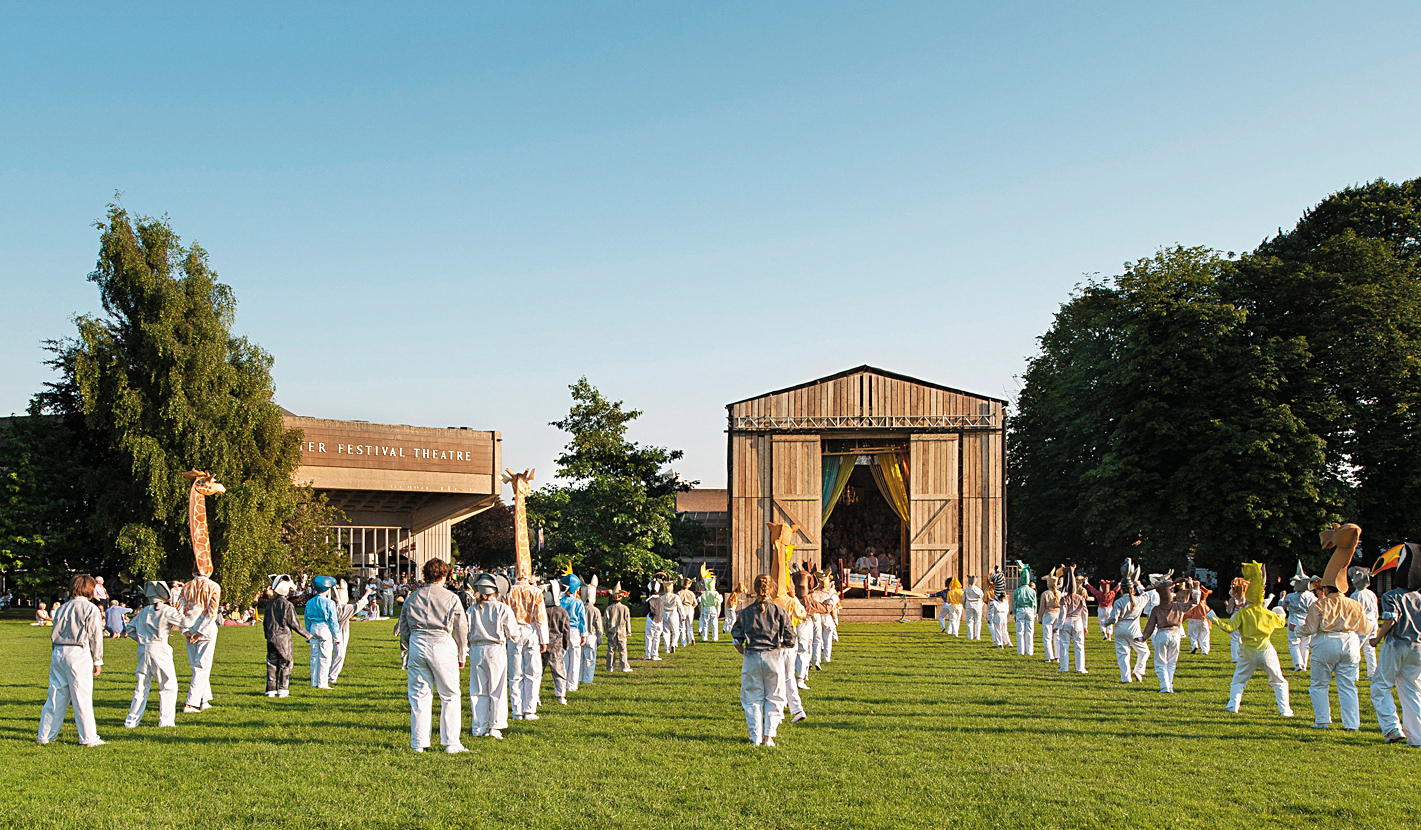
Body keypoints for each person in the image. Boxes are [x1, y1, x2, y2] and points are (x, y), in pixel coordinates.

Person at [1297, 524, 1369, 731]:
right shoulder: (1355, 604)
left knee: (1319, 684)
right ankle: (1352, 724)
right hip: (1350, 642)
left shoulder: (1320, 604)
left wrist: (1296, 630)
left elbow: (1310, 628)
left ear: (1326, 588)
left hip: (1326, 641)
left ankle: (1322, 720)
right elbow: (1365, 629)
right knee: (1348, 685)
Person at [399, 558, 469, 753]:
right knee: (450, 695)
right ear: (444, 575)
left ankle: (418, 742)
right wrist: (462, 654)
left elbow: (403, 627)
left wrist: (406, 651)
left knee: (419, 695)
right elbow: (461, 628)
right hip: (441, 643)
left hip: (417, 642)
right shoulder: (451, 598)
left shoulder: (412, 598)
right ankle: (451, 742)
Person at [1210, 562, 1293, 717]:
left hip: (1248, 651)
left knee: (1239, 680)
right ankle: (1285, 710)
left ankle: (1233, 705)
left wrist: (1214, 619)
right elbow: (1281, 622)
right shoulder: (1267, 614)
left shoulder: (1242, 613)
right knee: (1278, 680)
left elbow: (1229, 628)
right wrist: (1281, 612)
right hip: (1266, 649)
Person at [37, 574, 105, 747]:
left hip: (59, 650)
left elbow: (55, 631)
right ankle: (89, 738)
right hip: (78, 651)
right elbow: (95, 636)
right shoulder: (90, 608)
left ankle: (45, 735)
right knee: (82, 696)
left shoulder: (62, 608)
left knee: (55, 695)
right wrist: (98, 660)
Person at [732, 574, 795, 747]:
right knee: (775, 697)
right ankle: (769, 736)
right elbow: (790, 640)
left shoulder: (745, 613)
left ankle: (755, 736)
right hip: (773, 656)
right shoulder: (779, 612)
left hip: (752, 656)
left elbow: (736, 639)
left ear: (754, 588)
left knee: (752, 698)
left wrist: (745, 652)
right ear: (772, 588)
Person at [1370, 542, 1421, 746]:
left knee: (1380, 686)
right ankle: (1417, 737)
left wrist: (1377, 638)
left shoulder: (1392, 596)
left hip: (1396, 644)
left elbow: (1391, 619)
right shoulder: (1420, 598)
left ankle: (1392, 728)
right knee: (1412, 690)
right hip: (1417, 647)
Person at [123, 581, 185, 727]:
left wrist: (142, 640)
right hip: (159, 648)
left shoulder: (144, 611)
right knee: (168, 685)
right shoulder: (166, 610)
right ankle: (166, 721)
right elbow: (185, 622)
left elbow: (130, 629)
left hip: (143, 649)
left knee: (141, 686)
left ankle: (131, 721)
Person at [466, 573, 519, 740]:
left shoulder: (471, 610)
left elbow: (465, 630)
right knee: (497, 689)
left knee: (478, 690)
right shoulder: (503, 608)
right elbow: (513, 634)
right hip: (495, 650)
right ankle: (496, 725)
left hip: (476, 650)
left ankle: (478, 726)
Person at [1139, 579, 1197, 693]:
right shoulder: (1178, 606)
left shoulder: (1156, 609)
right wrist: (1195, 588)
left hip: (1162, 633)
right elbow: (1194, 602)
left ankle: (1164, 686)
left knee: (1160, 662)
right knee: (1172, 662)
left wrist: (1143, 638)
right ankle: (1170, 685)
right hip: (1175, 634)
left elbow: (1150, 626)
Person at [506, 571, 549, 720]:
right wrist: (544, 639)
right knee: (533, 672)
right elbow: (541, 618)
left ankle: (517, 710)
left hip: (513, 631)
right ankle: (529, 709)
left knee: (515, 673)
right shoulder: (536, 592)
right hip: (531, 631)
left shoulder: (508, 592)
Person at [177, 573, 222, 713]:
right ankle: (191, 704)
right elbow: (211, 612)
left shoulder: (186, 586)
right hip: (206, 630)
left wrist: (185, 630)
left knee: (196, 665)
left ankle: (204, 699)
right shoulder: (214, 586)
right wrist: (201, 631)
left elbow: (178, 609)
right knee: (202, 666)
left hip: (190, 628)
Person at [263, 575, 311, 698]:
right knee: (286, 663)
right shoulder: (287, 605)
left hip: (271, 637)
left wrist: (267, 635)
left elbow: (265, 622)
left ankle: (270, 690)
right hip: (284, 638)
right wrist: (307, 634)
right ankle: (283, 690)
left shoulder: (269, 604)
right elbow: (294, 623)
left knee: (271, 663)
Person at [1107, 574, 1150, 683]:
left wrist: (1104, 623)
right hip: (1134, 628)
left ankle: (1125, 678)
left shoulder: (1118, 602)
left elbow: (1114, 618)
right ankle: (1139, 670)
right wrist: (1139, 585)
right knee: (1144, 651)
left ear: (1122, 590)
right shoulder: (1139, 600)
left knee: (1123, 654)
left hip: (1120, 629)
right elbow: (1146, 595)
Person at [304, 576, 342, 690]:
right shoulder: (329, 603)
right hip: (324, 628)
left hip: (312, 628)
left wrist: (307, 634)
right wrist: (337, 637)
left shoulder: (309, 602)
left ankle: (314, 681)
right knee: (325, 657)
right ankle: (323, 683)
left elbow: (307, 619)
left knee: (314, 657)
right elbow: (333, 621)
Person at [1283, 564, 1317, 671]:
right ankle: (1304, 664)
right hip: (1307, 620)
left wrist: (1281, 598)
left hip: (1293, 621)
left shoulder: (1290, 596)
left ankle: (1298, 663)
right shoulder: (1311, 596)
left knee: (1294, 642)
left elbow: (1282, 606)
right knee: (1305, 643)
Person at [558, 572, 588, 695]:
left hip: (562, 631)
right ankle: (572, 684)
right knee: (575, 659)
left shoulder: (559, 601)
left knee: (563, 658)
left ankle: (563, 683)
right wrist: (584, 634)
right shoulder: (578, 602)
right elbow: (582, 619)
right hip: (575, 631)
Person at [1348, 565, 1379, 679]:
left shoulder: (1355, 595)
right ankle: (1372, 673)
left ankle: (1354, 674)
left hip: (1362, 624)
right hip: (1373, 622)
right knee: (1370, 649)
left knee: (1355, 648)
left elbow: (1354, 614)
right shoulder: (1371, 594)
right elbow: (1375, 610)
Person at [1056, 567, 1088, 673]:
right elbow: (1085, 612)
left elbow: (1063, 613)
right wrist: (1085, 626)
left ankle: (1064, 668)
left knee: (1064, 645)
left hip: (1066, 621)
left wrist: (1059, 625)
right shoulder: (1081, 598)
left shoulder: (1064, 599)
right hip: (1078, 621)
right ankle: (1081, 668)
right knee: (1079, 645)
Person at [544, 583, 572, 705]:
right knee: (559, 670)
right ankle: (561, 695)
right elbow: (566, 630)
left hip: (543, 642)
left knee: (538, 671)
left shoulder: (542, 611)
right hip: (556, 643)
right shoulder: (562, 612)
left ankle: (535, 695)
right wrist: (566, 644)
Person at [604, 583, 632, 673]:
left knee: (611, 649)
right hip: (622, 630)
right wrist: (628, 632)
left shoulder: (609, 608)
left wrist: (606, 631)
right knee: (623, 649)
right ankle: (624, 666)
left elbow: (605, 621)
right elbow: (627, 621)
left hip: (611, 630)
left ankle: (610, 666)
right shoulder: (625, 608)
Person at [580, 580, 602, 685]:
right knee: (590, 659)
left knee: (580, 659)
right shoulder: (595, 610)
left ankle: (578, 678)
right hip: (591, 635)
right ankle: (588, 680)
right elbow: (598, 627)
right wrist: (600, 639)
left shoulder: (580, 608)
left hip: (580, 635)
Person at [1038, 569, 1062, 663]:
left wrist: (1040, 618)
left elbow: (1042, 607)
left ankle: (1049, 657)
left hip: (1048, 614)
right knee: (1057, 636)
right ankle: (1057, 657)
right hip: (1058, 614)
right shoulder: (1060, 594)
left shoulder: (1045, 594)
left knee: (1047, 637)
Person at [1012, 564, 1037, 656]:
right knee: (1029, 632)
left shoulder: (1017, 591)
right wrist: (1034, 614)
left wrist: (1014, 614)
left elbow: (1015, 603)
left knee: (1020, 632)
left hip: (1020, 610)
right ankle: (1029, 651)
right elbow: (1034, 604)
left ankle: (1020, 651)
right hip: (1030, 611)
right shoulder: (1032, 591)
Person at [1184, 580, 1213, 655]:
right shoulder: (1204, 604)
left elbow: (1188, 613)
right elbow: (1209, 614)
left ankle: (1194, 646)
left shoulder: (1193, 604)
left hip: (1194, 620)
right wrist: (1209, 623)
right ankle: (1205, 650)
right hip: (1203, 620)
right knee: (1204, 636)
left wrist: (1183, 618)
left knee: (1193, 635)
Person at [1224, 578, 1249, 663]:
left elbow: (1229, 611)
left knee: (1234, 638)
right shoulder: (1248, 598)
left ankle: (1235, 658)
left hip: (1236, 615)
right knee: (1245, 637)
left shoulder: (1233, 599)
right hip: (1246, 616)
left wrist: (1227, 605)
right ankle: (1245, 656)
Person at [644, 578, 665, 661]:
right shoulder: (661, 600)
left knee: (648, 637)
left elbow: (644, 611)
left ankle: (648, 654)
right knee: (657, 637)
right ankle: (655, 654)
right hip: (659, 620)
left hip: (650, 619)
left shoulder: (648, 600)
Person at [699, 575, 722, 642]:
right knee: (714, 624)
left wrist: (702, 611)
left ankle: (704, 637)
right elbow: (718, 603)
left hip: (706, 608)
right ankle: (715, 638)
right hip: (713, 608)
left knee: (705, 623)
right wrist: (718, 611)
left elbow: (701, 603)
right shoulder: (715, 593)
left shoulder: (704, 593)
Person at [962, 575, 984, 641]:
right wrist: (981, 605)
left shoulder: (967, 589)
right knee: (978, 621)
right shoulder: (979, 590)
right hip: (978, 604)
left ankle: (970, 636)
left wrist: (964, 605)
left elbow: (963, 599)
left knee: (969, 620)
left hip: (969, 604)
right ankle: (977, 636)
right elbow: (982, 598)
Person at [677, 579, 697, 647]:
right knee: (690, 626)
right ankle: (691, 638)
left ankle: (684, 642)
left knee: (682, 627)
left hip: (682, 608)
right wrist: (692, 608)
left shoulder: (679, 593)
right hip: (690, 608)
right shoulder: (691, 593)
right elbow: (695, 603)